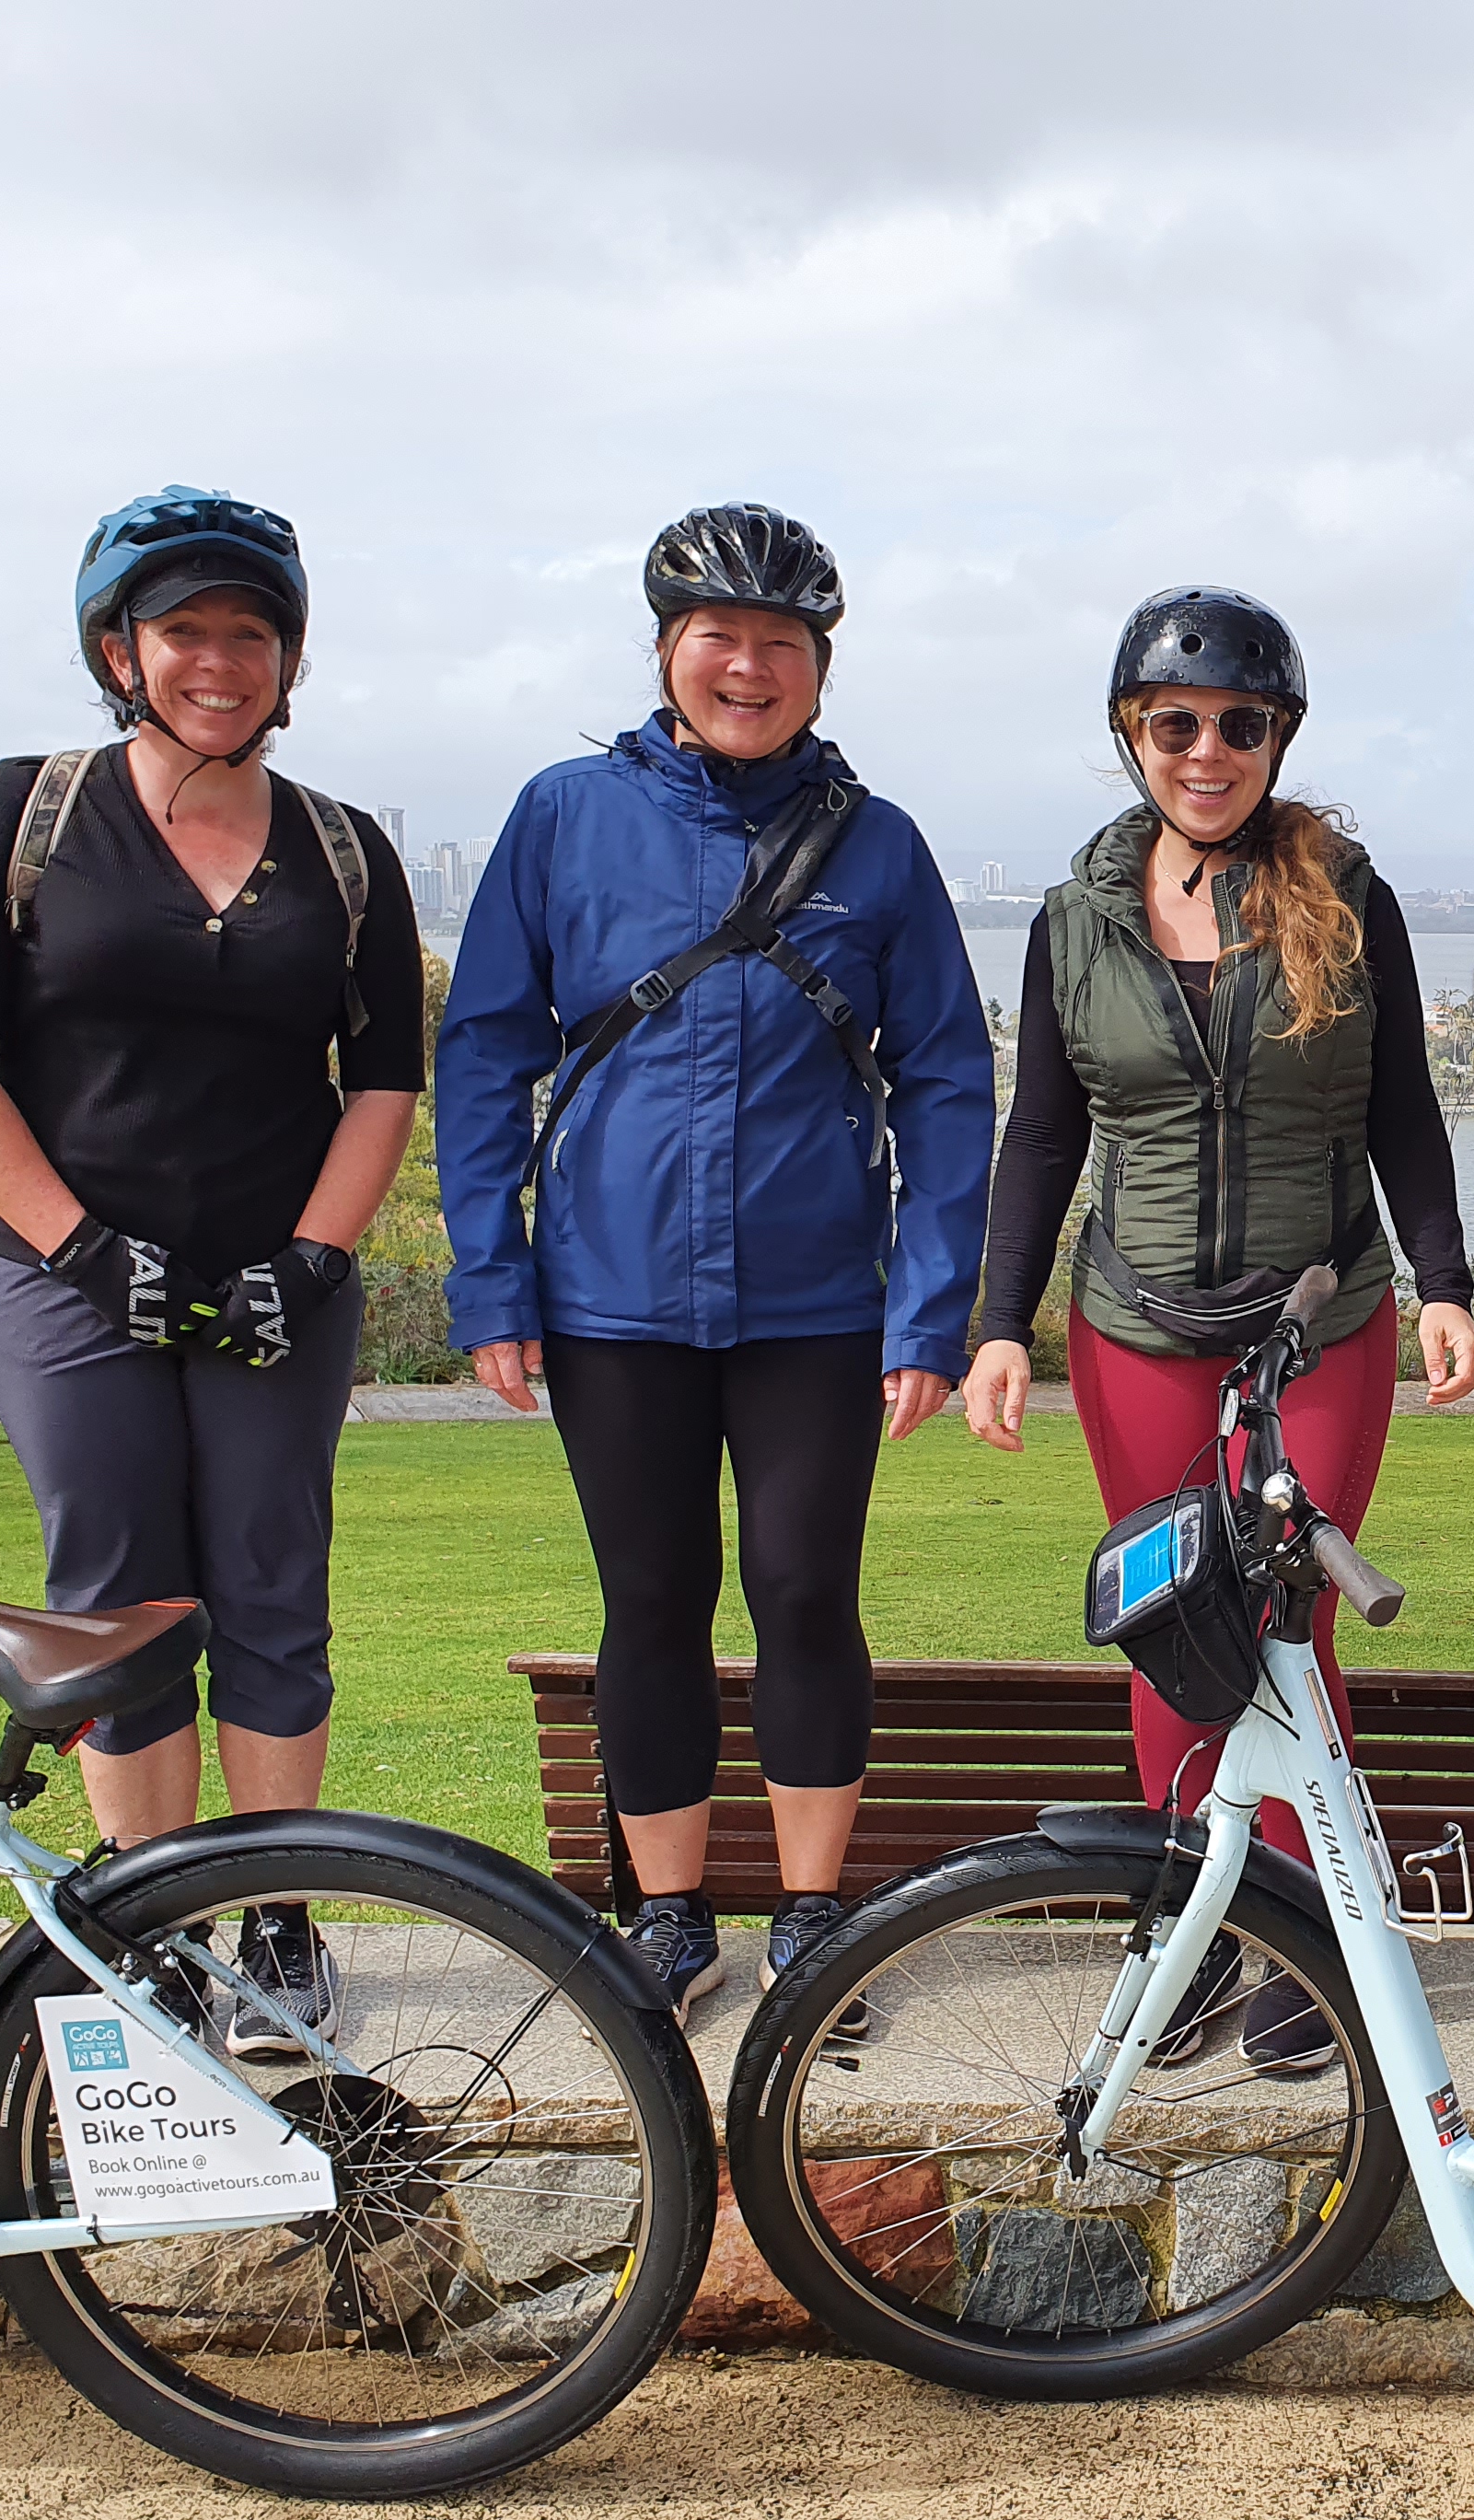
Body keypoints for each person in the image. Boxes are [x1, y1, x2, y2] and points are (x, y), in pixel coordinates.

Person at [436, 505, 994, 2014]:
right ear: (668, 645)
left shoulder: (878, 846)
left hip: (818, 1300)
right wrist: (491, 1276)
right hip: (610, 1295)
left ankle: (814, 1912)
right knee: (652, 1600)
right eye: (720, 636)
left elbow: (947, 1078)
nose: (749, 665)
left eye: (782, 643)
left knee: (807, 1591)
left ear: (818, 665)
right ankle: (669, 1914)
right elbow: (484, 1052)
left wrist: (929, 1310)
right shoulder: (563, 815)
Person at [0, 486, 424, 2054]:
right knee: (119, 1593)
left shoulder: (345, 847)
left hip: (275, 1275)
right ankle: (153, 1916)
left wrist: (315, 1257)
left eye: (249, 632)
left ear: (289, 655)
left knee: (272, 1579)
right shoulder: (25, 809)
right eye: (185, 628)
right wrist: (80, 1245)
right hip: (67, 1278)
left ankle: (274, 1913)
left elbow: (383, 1078)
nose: (218, 659)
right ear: (117, 646)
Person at [960, 586, 1474, 2079]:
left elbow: (1404, 1114)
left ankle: (1296, 1934)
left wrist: (1442, 1281)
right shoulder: (1073, 924)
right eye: (1175, 722)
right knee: (1173, 1627)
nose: (1207, 748)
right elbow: (1038, 1142)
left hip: (1319, 1323)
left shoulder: (1349, 896)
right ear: (1131, 734)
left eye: (1238, 724)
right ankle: (1182, 1927)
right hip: (1133, 1325)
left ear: (1275, 737)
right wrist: (1002, 1324)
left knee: (1286, 1626)